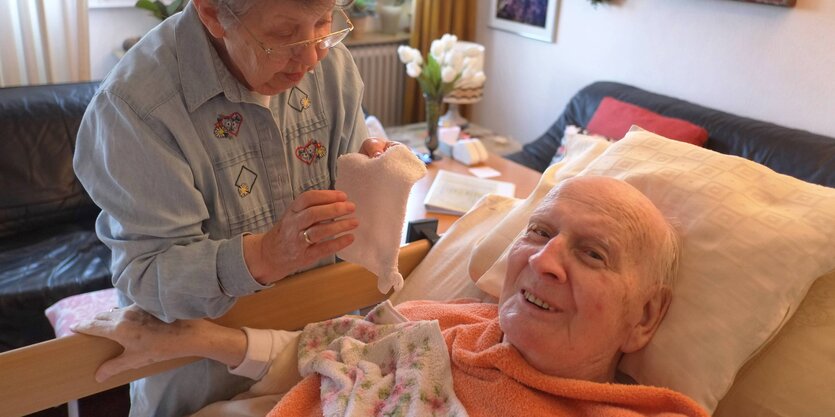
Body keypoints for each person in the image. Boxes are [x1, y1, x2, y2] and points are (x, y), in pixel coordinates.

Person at [75, 177, 707, 417]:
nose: (543, 260)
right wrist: (194, 338)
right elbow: (324, 352)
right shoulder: (442, 320)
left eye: (592, 254)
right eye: (539, 232)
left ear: (646, 317)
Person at [72, 0, 396, 415]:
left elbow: (349, 216)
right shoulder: (135, 107)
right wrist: (264, 255)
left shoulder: (331, 66)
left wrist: (375, 182)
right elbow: (149, 274)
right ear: (211, 13)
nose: (312, 56)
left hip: (324, 361)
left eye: (324, 22)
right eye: (285, 34)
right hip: (205, 385)